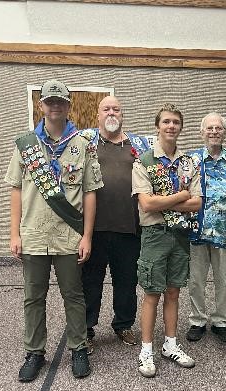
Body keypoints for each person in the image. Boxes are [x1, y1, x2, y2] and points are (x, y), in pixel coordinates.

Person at [5, 79, 103, 382]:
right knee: (33, 296)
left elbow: (89, 192)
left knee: (74, 295)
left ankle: (78, 347)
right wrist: (14, 233)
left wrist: (87, 236)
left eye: (60, 101)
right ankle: (34, 351)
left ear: (68, 106)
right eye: (50, 101)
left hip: (68, 235)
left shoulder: (82, 145)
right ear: (41, 105)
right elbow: (16, 189)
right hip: (34, 233)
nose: (55, 106)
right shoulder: (26, 145)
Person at [131, 103, 202, 378]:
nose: (171, 126)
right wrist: (180, 197)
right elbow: (147, 204)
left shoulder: (188, 163)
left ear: (180, 127)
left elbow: (197, 204)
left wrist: (171, 202)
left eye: (176, 122)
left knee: (174, 292)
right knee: (152, 293)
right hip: (155, 235)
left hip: (180, 235)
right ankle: (146, 350)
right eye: (166, 122)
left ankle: (170, 345)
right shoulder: (144, 162)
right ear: (157, 126)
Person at [79, 96, 150, 354]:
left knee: (127, 281)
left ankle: (123, 324)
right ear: (98, 115)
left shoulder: (138, 146)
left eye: (116, 109)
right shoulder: (86, 144)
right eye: (106, 109)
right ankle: (86, 329)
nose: (111, 113)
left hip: (129, 227)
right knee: (90, 282)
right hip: (93, 229)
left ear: (122, 115)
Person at [186, 112, 226, 344]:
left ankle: (220, 321)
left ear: (225, 132)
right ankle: (197, 320)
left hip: (225, 230)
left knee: (223, 278)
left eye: (218, 128)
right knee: (196, 279)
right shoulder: (192, 160)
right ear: (201, 132)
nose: (214, 132)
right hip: (198, 229)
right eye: (210, 128)